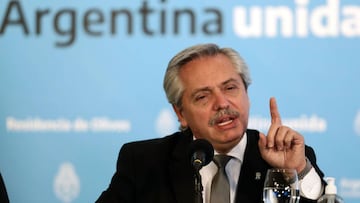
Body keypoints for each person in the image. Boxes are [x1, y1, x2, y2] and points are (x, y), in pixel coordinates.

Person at [96, 43, 325, 203]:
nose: (222, 103)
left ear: (246, 93)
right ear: (181, 113)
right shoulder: (144, 162)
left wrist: (296, 171)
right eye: (203, 96)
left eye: (230, 88)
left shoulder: (284, 159)